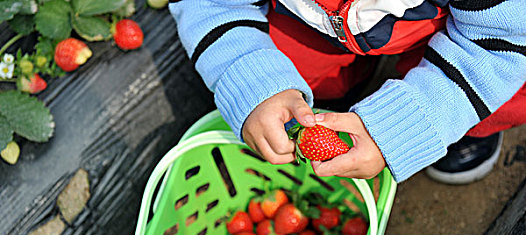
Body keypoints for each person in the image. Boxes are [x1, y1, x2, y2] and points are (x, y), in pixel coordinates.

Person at [169, 0, 526, 184]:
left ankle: (465, 128)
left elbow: (497, 46)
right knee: (305, 81)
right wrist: (252, 80)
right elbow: (212, 4)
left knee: (503, 93)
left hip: (467, 30)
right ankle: (343, 88)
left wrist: (404, 128)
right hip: (310, 21)